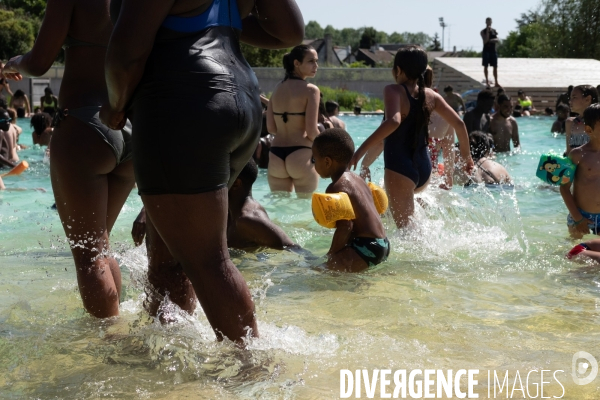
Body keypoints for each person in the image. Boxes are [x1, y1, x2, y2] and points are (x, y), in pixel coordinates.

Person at [102, 0, 304, 344]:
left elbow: (126, 51)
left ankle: (256, 374)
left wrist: (116, 105)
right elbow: (288, 31)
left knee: (208, 260)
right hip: (241, 99)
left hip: (183, 101)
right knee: (174, 254)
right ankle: (169, 349)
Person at [2, 0, 137, 319]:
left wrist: (13, 62)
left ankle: (110, 343)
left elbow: (38, 62)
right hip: (131, 126)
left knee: (90, 255)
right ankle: (117, 327)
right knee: (101, 246)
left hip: (84, 123)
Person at [350, 46, 474, 228]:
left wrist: (358, 153)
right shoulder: (431, 95)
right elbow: (459, 124)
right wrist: (467, 156)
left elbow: (393, 122)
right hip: (424, 169)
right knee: (411, 224)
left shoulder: (393, 90)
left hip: (400, 168)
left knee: (406, 233)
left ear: (398, 69)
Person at [312, 128, 390, 272]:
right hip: (383, 244)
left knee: (321, 271)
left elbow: (346, 227)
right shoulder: (358, 180)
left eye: (314, 159)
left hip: (366, 247)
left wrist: (330, 254)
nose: (314, 164)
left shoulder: (336, 187)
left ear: (327, 161)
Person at [267, 45, 320, 194]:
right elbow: (311, 131)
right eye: (311, 61)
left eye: (316, 61)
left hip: (276, 155)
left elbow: (271, 128)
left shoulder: (277, 89)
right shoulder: (311, 90)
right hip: (301, 155)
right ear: (296, 63)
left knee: (278, 210)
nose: (316, 66)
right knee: (306, 212)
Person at [560, 104, 600, 238]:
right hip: (580, 214)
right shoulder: (577, 155)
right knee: (574, 253)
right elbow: (564, 188)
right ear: (589, 130)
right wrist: (578, 218)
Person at [566, 85, 598, 153]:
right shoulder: (570, 123)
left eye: (574, 97)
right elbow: (568, 152)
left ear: (587, 99)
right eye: (570, 97)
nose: (570, 101)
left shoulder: (597, 123)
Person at [480, 17, 499, 87]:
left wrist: (491, 40)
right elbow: (485, 41)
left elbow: (497, 39)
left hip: (493, 51)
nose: (489, 23)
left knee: (495, 66)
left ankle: (496, 82)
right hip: (486, 51)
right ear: (486, 22)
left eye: (490, 22)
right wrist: (488, 32)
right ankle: (487, 80)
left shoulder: (494, 30)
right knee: (485, 66)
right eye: (488, 22)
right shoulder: (483, 31)